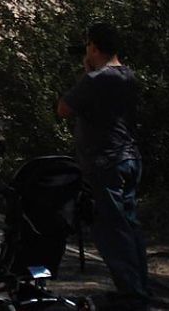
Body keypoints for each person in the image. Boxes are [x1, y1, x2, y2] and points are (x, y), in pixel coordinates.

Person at [57, 23, 149, 311]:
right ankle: (140, 286)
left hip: (105, 162)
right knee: (129, 224)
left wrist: (86, 73)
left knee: (112, 229)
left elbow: (64, 108)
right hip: (129, 157)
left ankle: (132, 293)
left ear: (94, 47)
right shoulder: (128, 76)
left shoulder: (95, 80)